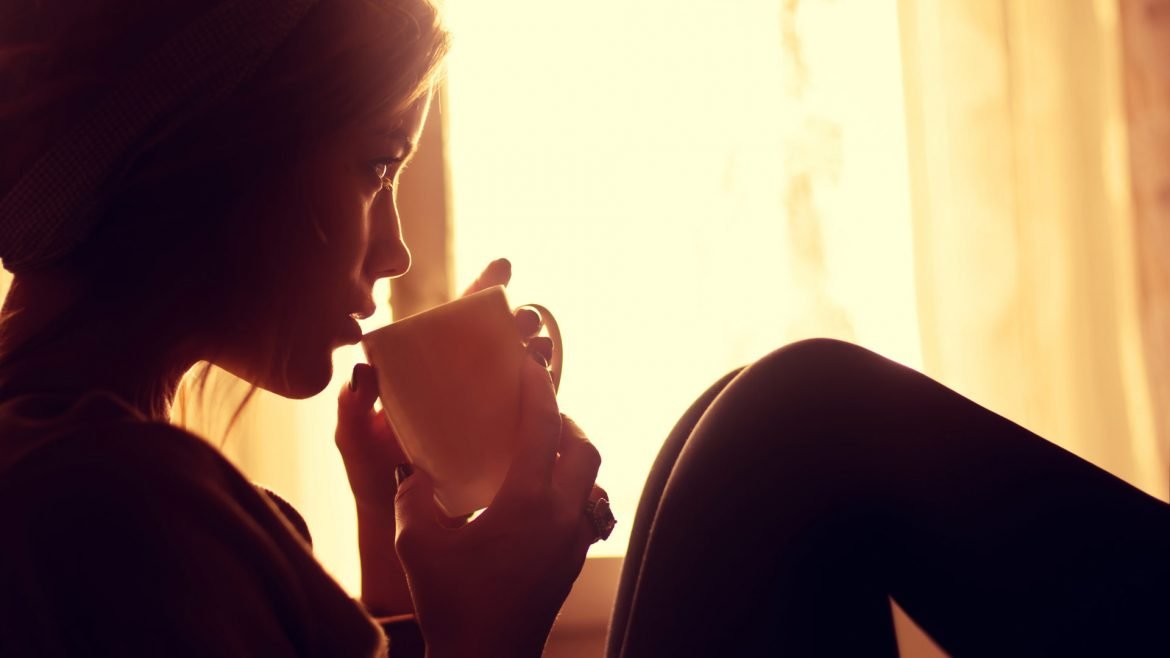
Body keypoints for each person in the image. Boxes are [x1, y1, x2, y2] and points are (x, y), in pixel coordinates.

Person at [0, 1, 1166, 657]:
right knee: (799, 426)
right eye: (374, 166)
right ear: (222, 150)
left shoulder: (85, 475)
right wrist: (488, 632)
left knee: (730, 426)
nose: (393, 249)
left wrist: (394, 562)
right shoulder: (110, 507)